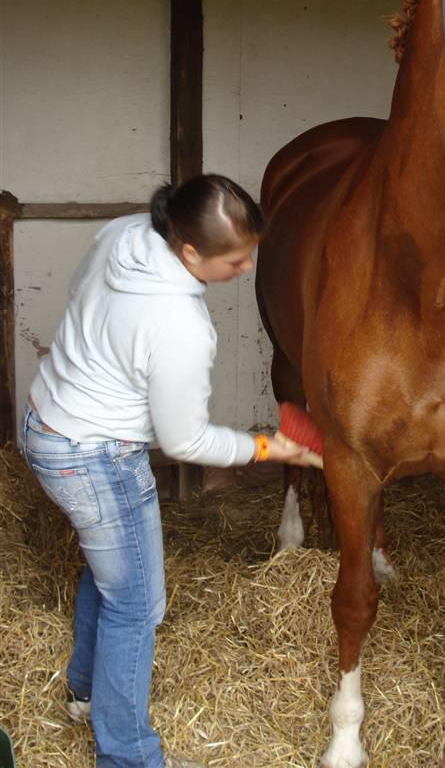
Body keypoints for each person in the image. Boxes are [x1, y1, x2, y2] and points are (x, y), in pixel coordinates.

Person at [19, 174, 312, 768]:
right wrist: (264, 448)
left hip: (46, 420)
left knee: (112, 571)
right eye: (235, 259)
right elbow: (184, 440)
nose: (249, 268)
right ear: (189, 253)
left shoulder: (126, 233)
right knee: (137, 605)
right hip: (95, 456)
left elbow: (80, 295)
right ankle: (126, 757)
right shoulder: (179, 325)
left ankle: (83, 690)